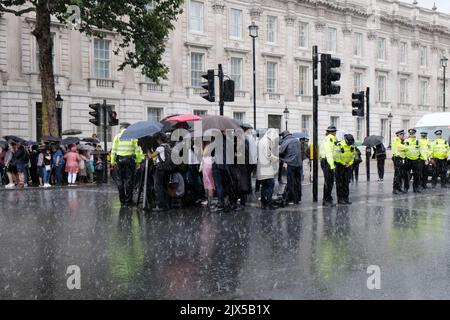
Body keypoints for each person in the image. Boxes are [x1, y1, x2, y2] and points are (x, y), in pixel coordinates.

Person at [111, 122, 144, 207]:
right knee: (129, 181)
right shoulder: (133, 137)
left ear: (121, 128)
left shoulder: (117, 136)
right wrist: (138, 161)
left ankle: (122, 201)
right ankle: (128, 201)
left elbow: (113, 150)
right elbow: (137, 150)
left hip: (119, 160)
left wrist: (112, 162)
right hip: (130, 160)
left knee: (120, 182)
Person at [149, 132, 173, 211]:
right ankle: (166, 205)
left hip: (160, 169)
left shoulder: (160, 148)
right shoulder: (168, 146)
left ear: (159, 139)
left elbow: (151, 156)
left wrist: (147, 149)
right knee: (165, 186)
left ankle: (160, 206)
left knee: (158, 187)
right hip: (167, 169)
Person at [257, 128, 279, 210]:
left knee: (264, 186)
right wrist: (276, 159)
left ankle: (263, 203)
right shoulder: (266, 142)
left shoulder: (261, 141)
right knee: (270, 186)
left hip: (262, 168)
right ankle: (269, 204)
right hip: (267, 169)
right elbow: (268, 155)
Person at [279, 131, 302, 205]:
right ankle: (298, 198)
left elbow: (280, 152)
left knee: (291, 182)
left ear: (284, 136)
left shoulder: (286, 141)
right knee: (298, 182)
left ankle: (291, 198)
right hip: (299, 164)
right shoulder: (297, 141)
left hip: (291, 164)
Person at [335, 134, 356, 204]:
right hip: (340, 166)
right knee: (340, 183)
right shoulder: (339, 145)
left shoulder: (352, 146)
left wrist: (349, 163)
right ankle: (340, 199)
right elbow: (336, 157)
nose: (351, 144)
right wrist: (343, 163)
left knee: (346, 183)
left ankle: (346, 198)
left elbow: (353, 156)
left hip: (348, 166)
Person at [320, 126, 339, 206]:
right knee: (328, 181)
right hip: (327, 161)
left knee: (329, 181)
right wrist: (332, 165)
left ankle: (328, 198)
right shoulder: (330, 139)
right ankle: (326, 200)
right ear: (333, 132)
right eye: (335, 132)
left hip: (326, 161)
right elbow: (329, 153)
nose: (335, 133)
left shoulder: (331, 139)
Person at [404, 128, 422, 193]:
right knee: (406, 175)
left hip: (416, 159)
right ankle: (406, 188)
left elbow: (421, 150)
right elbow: (403, 150)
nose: (411, 134)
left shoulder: (418, 141)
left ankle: (416, 188)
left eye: (413, 133)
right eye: (410, 133)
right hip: (408, 159)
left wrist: (424, 158)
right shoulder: (406, 141)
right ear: (409, 134)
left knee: (417, 175)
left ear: (415, 133)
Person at [200, 141, 215, 209]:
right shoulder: (210, 144)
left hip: (207, 165)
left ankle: (210, 201)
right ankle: (210, 200)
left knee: (209, 184)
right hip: (208, 164)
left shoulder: (208, 145)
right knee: (209, 183)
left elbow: (203, 154)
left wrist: (200, 146)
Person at [392, 130, 407, 194]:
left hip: (401, 159)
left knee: (400, 174)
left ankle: (399, 188)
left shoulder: (401, 141)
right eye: (402, 135)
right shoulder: (396, 140)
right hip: (397, 158)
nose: (403, 136)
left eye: (403, 135)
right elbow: (402, 147)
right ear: (398, 135)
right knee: (397, 175)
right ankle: (395, 189)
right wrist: (406, 146)